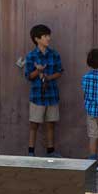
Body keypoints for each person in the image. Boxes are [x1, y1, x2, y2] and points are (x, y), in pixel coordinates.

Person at [24, 24, 63, 156]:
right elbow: (28, 76)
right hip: (37, 96)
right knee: (34, 124)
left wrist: (49, 76)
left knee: (51, 124)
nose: (49, 38)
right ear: (37, 39)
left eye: (48, 35)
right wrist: (38, 71)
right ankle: (31, 152)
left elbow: (60, 72)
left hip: (52, 95)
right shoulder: (31, 56)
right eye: (45, 36)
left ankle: (50, 152)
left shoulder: (54, 54)